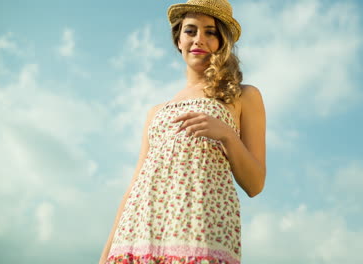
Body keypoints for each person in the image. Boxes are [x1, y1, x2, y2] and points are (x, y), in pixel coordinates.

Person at [99, 0, 266, 263]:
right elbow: (133, 188)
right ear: (178, 40)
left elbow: (255, 184)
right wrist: (105, 255)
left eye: (210, 32)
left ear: (222, 41)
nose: (199, 39)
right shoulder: (155, 112)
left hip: (200, 235)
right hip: (137, 236)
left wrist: (227, 135)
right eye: (190, 30)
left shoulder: (243, 95)